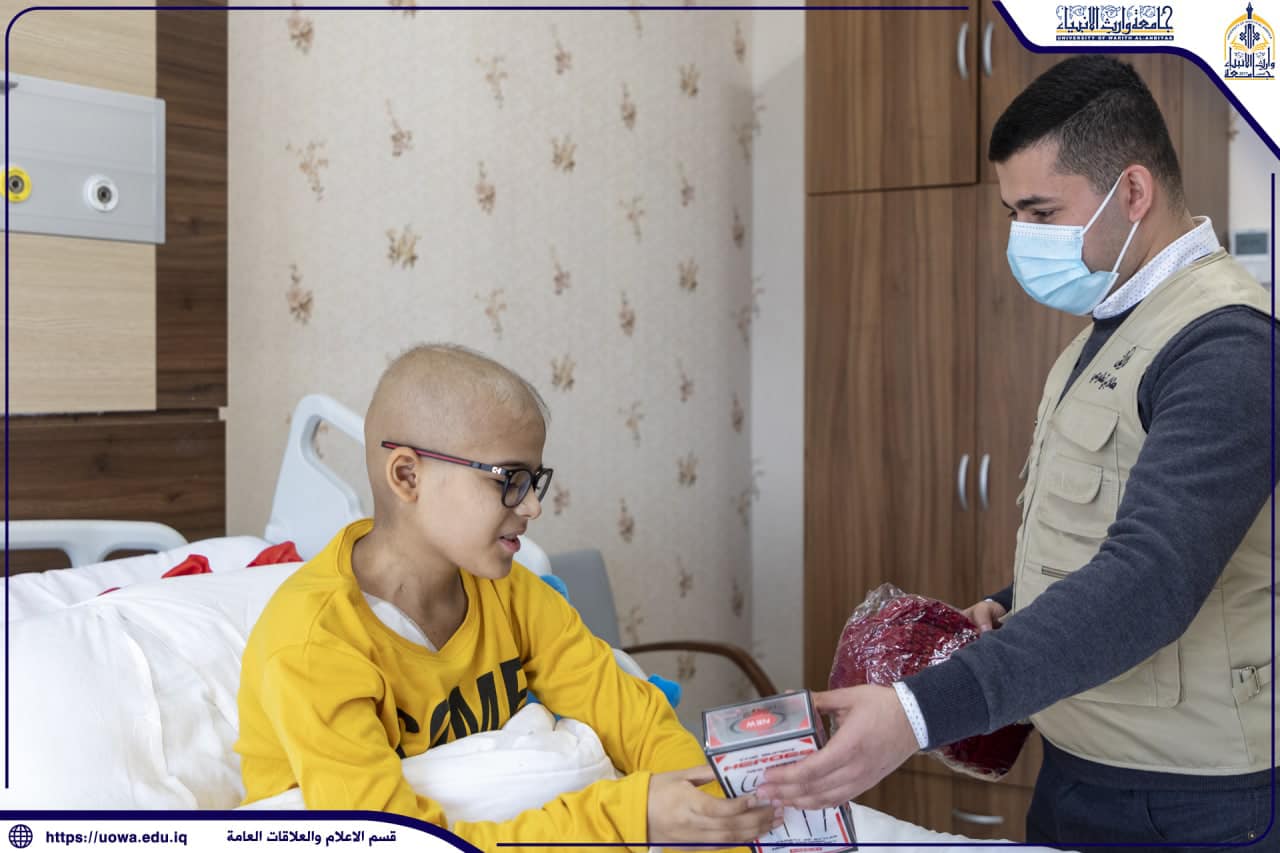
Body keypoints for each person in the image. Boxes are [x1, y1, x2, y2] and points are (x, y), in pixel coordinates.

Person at [757, 56, 1277, 849]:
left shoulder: (1227, 346)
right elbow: (1105, 525)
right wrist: (1015, 599)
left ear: (1133, 192)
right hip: (1078, 762)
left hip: (1193, 798)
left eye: (1040, 212)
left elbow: (1153, 578)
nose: (1022, 239)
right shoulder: (1110, 332)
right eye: (1014, 214)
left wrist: (919, 711)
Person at [236, 344, 780, 850]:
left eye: (533, 481)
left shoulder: (513, 593)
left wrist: (715, 814)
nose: (532, 507)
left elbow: (636, 721)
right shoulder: (315, 644)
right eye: (508, 479)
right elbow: (397, 844)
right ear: (407, 476)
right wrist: (627, 818)